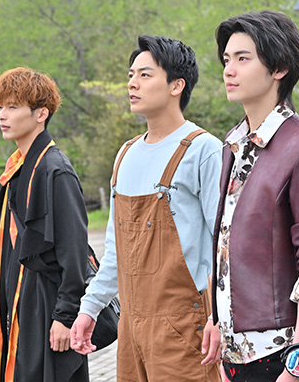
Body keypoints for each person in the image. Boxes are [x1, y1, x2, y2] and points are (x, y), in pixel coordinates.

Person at [70, 35, 223, 381]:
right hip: (130, 326)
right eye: (131, 75)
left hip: (185, 327)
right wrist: (89, 308)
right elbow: (116, 252)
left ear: (176, 86)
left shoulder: (203, 150)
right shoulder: (125, 155)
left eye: (145, 75)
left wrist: (220, 317)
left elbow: (224, 247)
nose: (132, 84)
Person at [201, 10, 299, 382]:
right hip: (235, 353)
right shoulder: (233, 146)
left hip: (280, 353)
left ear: (279, 68)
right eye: (226, 60)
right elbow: (227, 245)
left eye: (243, 59)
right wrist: (218, 320)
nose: (229, 70)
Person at [0, 67, 89, 381]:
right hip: (16, 301)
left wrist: (65, 316)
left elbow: (74, 251)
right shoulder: (16, 168)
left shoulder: (56, 170)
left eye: (13, 107)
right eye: (1, 107)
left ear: (41, 114)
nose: (2, 115)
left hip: (45, 305)